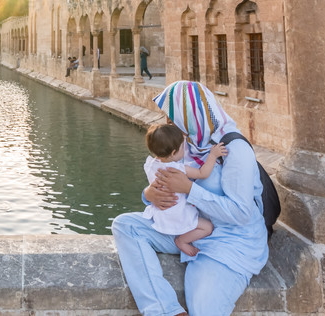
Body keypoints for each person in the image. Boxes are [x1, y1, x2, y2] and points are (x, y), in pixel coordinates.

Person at [112, 80, 268, 316]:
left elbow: (241, 213)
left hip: (229, 240)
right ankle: (166, 311)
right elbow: (167, 178)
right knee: (126, 226)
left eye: (173, 117)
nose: (169, 123)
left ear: (192, 115)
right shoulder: (190, 143)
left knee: (204, 309)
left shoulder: (235, 151)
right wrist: (149, 195)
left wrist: (189, 190)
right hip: (191, 226)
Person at [143, 122, 228, 257]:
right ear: (173, 152)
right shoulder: (177, 169)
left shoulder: (150, 165)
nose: (185, 148)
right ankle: (182, 241)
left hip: (161, 215)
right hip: (178, 215)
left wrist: (175, 135)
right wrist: (212, 155)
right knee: (208, 227)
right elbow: (202, 173)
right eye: (183, 146)